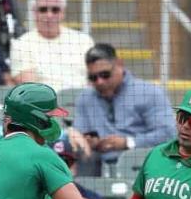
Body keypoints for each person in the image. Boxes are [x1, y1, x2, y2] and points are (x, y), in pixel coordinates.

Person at [71, 44, 176, 175]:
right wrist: (89, 141)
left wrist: (128, 142)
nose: (100, 82)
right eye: (93, 77)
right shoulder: (85, 98)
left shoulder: (149, 92)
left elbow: (168, 133)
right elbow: (79, 134)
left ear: (119, 64)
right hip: (97, 168)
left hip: (142, 167)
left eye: (105, 74)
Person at [9, 0, 94, 91]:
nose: (49, 15)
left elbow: (95, 80)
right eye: (43, 9)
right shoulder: (21, 45)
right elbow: (30, 89)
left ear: (63, 12)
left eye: (55, 10)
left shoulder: (84, 41)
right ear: (34, 12)